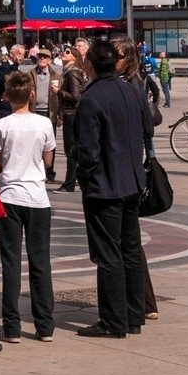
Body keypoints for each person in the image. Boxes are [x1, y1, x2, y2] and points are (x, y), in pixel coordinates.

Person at [74, 38, 152, 339]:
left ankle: (112, 321)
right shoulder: (132, 90)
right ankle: (134, 316)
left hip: (105, 187)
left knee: (108, 255)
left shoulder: (92, 98)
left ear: (89, 64)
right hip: (132, 182)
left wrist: (86, 177)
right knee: (130, 250)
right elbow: (148, 127)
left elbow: (88, 150)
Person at [0, 68, 56, 343]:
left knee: (11, 262)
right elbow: (48, 161)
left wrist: (6, 164)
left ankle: (12, 327)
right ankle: (45, 325)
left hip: (10, 198)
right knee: (40, 261)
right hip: (38, 198)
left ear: (6, 97)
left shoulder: (2, 125)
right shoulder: (44, 124)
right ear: (31, 94)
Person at [112, 37, 160, 322]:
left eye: (117, 55)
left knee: (127, 242)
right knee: (130, 241)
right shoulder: (130, 84)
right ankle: (143, 301)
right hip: (130, 170)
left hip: (128, 171)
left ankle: (138, 303)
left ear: (128, 58)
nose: (112, 59)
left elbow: (148, 128)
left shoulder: (131, 86)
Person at [56, 43, 88, 191]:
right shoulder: (70, 72)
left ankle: (69, 183)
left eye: (67, 52)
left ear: (74, 58)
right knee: (75, 149)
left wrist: (58, 91)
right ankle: (76, 181)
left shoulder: (72, 73)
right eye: (63, 51)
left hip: (72, 113)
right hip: (72, 113)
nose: (64, 53)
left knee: (71, 150)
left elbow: (75, 96)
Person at [32, 47, 58, 181]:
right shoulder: (30, 74)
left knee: (50, 144)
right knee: (34, 142)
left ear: (49, 60)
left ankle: (49, 172)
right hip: (34, 111)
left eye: (45, 57)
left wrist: (60, 115)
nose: (41, 59)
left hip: (50, 112)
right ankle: (35, 169)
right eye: (40, 57)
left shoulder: (56, 76)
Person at [0, 43, 26, 118]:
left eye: (23, 54)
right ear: (11, 54)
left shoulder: (17, 68)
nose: (21, 56)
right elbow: (5, 78)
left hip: (14, 105)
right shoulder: (4, 66)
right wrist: (15, 65)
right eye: (19, 53)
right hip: (3, 106)